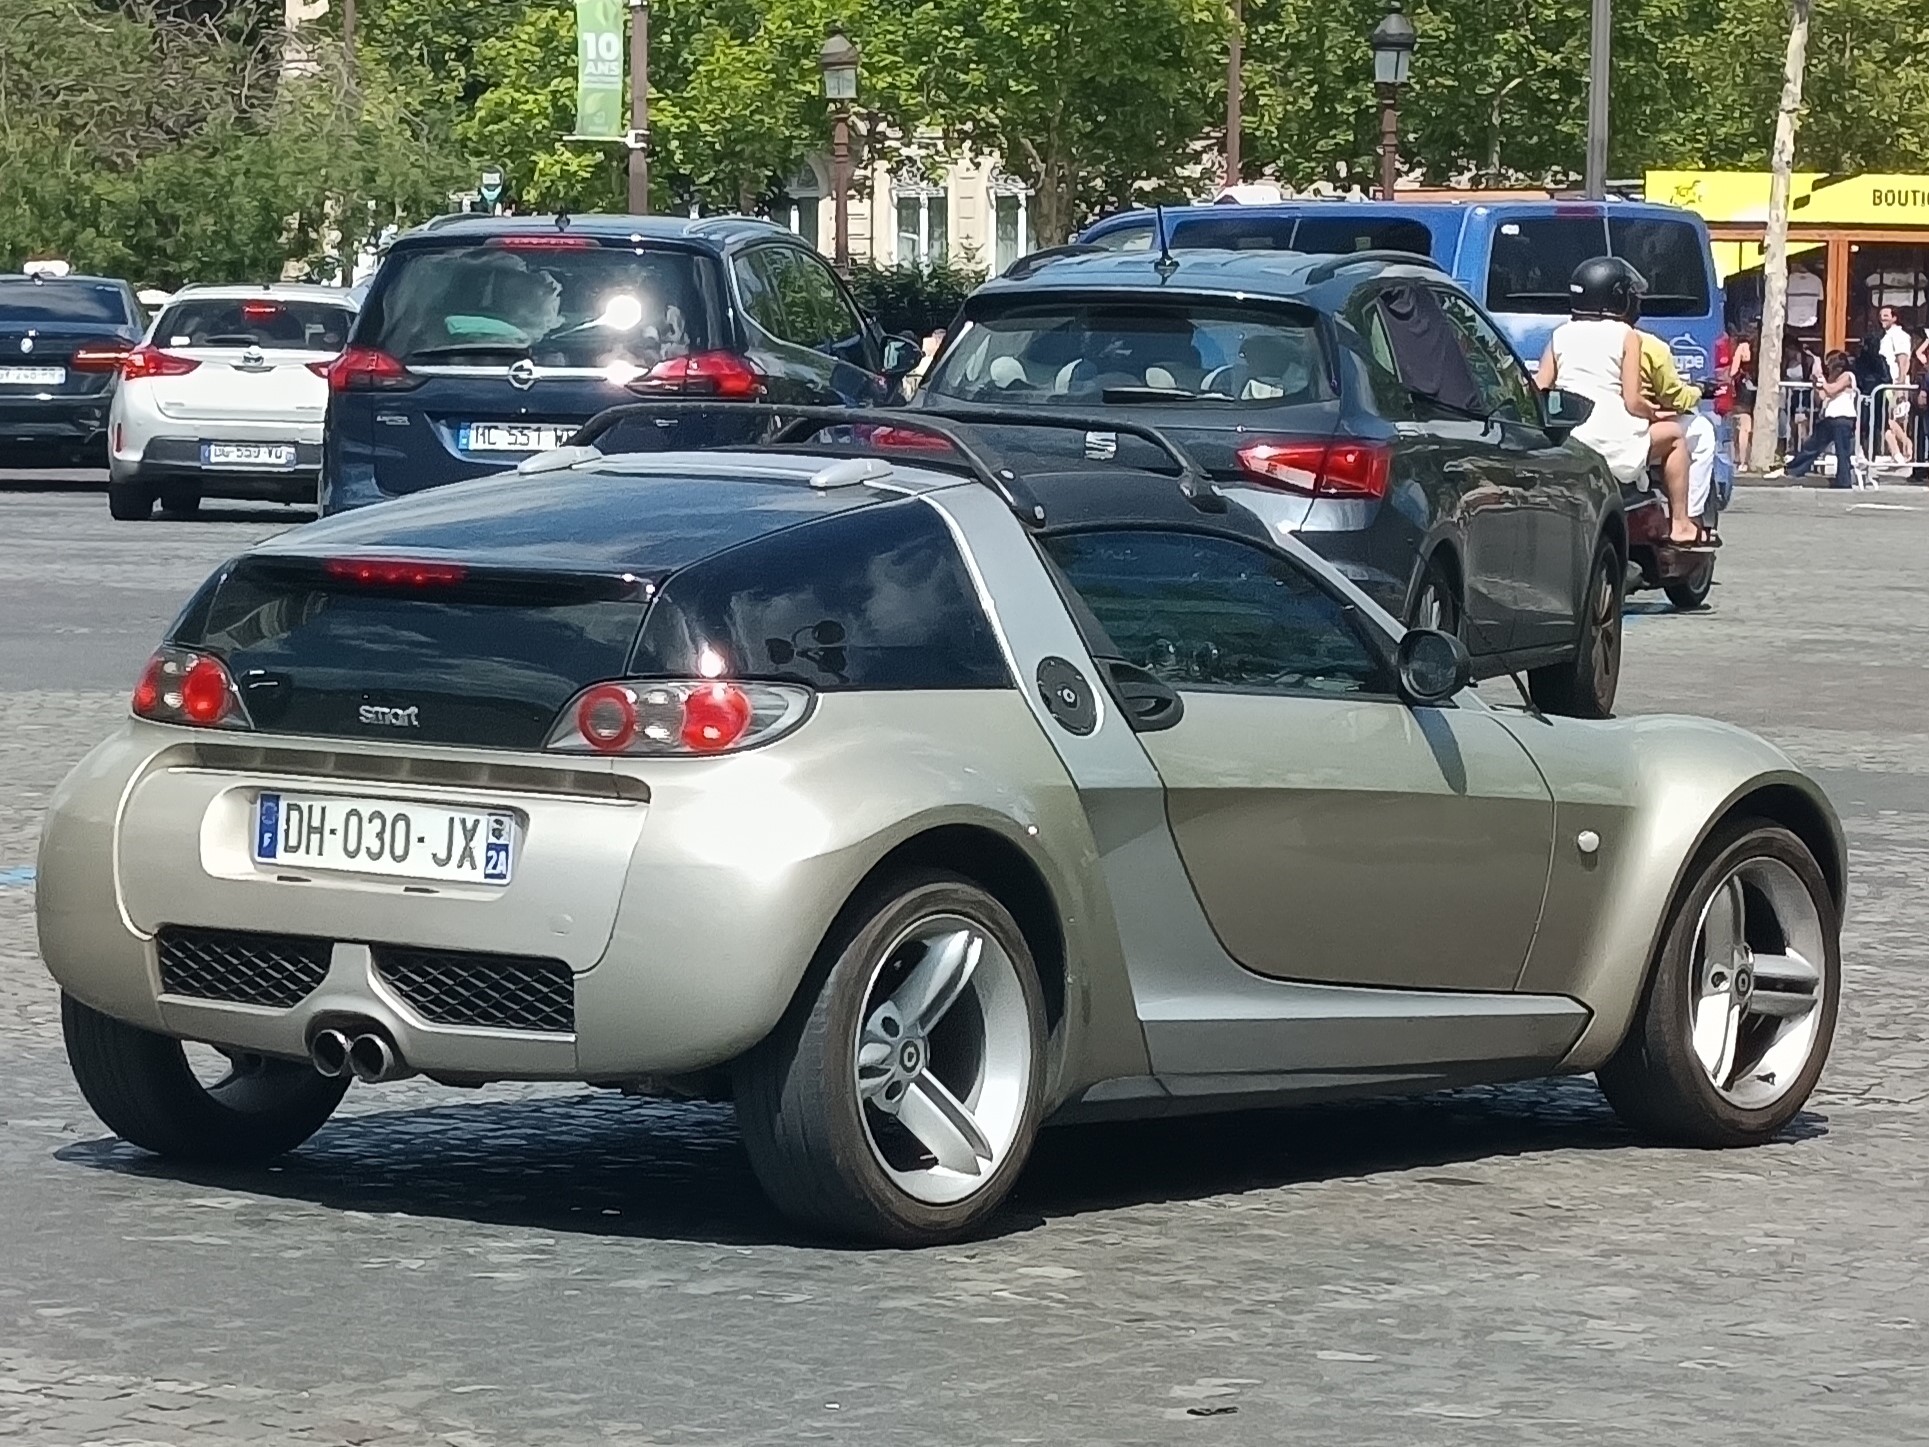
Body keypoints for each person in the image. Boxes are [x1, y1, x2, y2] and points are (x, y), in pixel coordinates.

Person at [1536, 257, 1708, 549]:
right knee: (1677, 438)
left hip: (1572, 437)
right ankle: (1681, 523)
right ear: (1618, 298)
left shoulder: (1561, 333)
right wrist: (1654, 413)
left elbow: (1540, 386)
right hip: (1613, 440)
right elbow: (1632, 401)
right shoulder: (1626, 335)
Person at [1617, 267, 1719, 524]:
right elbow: (1673, 397)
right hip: (1632, 429)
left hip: (1578, 430)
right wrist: (1699, 391)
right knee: (1702, 432)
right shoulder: (1648, 345)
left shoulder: (1566, 337)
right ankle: (1687, 519)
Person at [1773, 350, 1859, 487]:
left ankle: (1844, 480)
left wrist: (1823, 382)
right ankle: (1794, 469)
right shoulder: (1831, 379)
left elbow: (1832, 390)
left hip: (1843, 417)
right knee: (1813, 445)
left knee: (1842, 451)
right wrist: (1816, 385)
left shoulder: (1848, 376)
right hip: (1830, 417)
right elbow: (1823, 397)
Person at [1879, 306, 1914, 463]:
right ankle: (1897, 453)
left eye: (1886, 315)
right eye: (1881, 315)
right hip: (1886, 383)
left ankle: (1906, 446)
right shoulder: (1885, 336)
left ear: (1894, 318)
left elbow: (1903, 360)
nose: (1882, 318)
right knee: (1886, 420)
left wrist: (1900, 385)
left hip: (1895, 382)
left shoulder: (1899, 335)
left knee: (1890, 420)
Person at [1729, 325, 1760, 466]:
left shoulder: (1746, 348)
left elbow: (1733, 372)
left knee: (1744, 428)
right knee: (1746, 427)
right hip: (1749, 396)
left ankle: (1741, 460)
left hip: (1746, 395)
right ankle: (1743, 460)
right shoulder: (1760, 348)